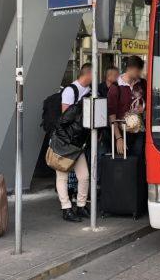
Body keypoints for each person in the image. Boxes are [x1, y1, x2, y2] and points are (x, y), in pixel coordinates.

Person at [54, 63, 92, 222]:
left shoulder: (90, 91)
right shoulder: (70, 91)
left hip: (78, 142)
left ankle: (81, 205)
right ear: (88, 74)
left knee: (84, 176)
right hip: (66, 142)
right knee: (62, 175)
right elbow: (64, 118)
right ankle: (66, 208)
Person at [107, 56, 146, 158]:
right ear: (130, 69)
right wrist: (118, 138)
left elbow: (147, 101)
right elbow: (112, 115)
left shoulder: (142, 84)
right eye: (138, 71)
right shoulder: (116, 87)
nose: (140, 74)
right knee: (126, 163)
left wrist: (143, 107)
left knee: (138, 161)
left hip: (139, 131)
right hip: (123, 132)